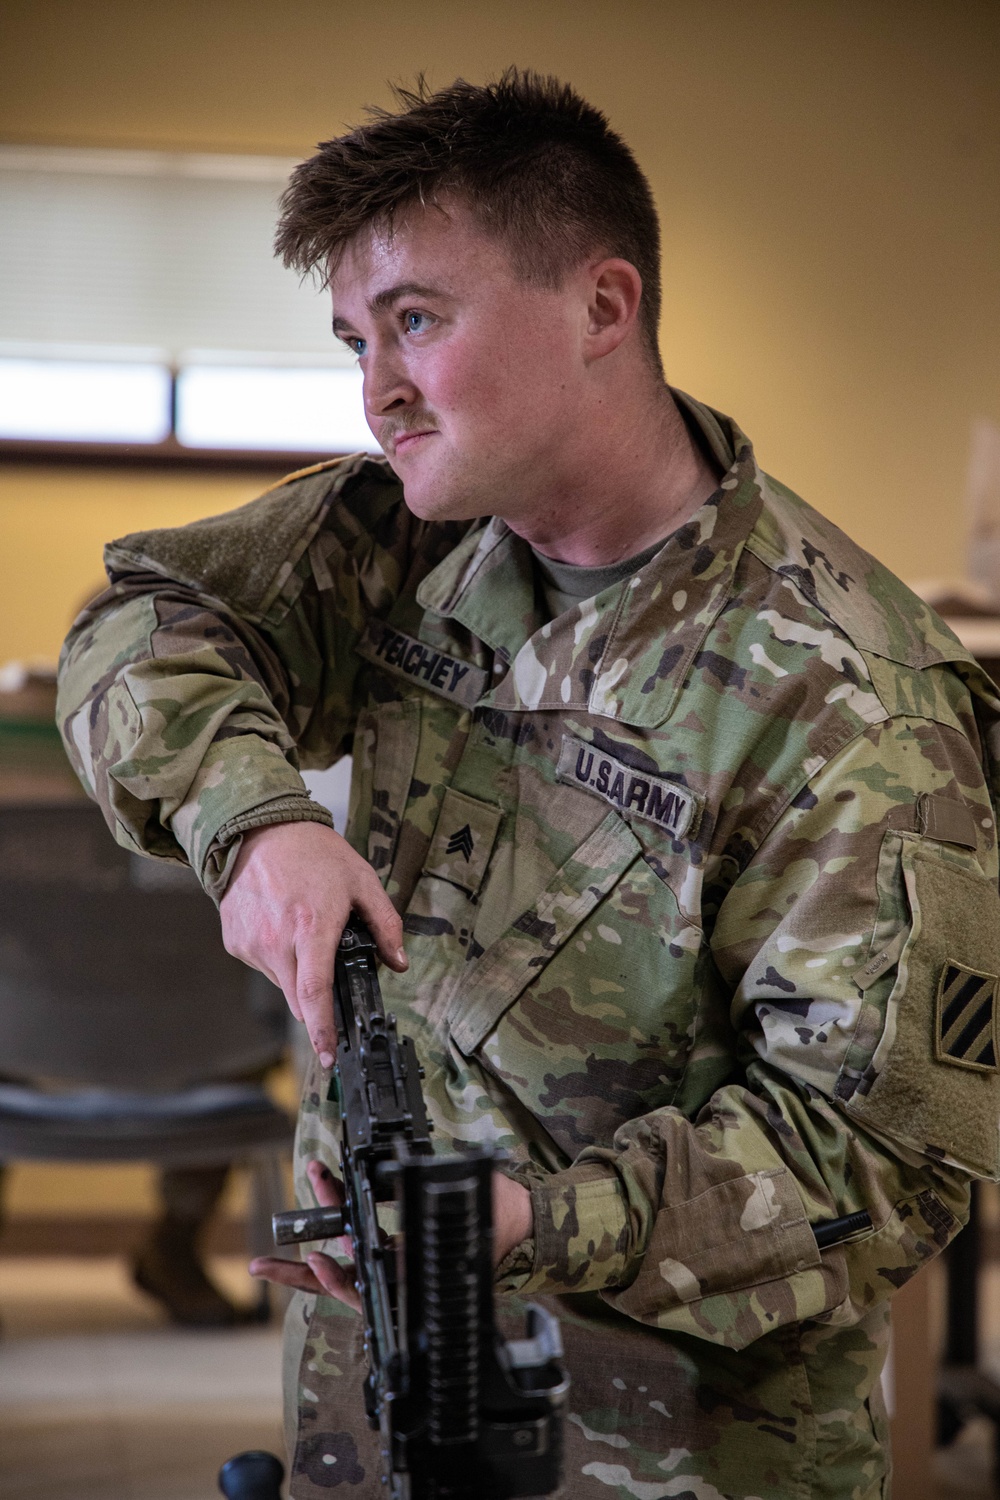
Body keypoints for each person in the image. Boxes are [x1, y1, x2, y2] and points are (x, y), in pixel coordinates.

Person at [57, 71, 1000, 1499]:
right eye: (353, 337)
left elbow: (870, 1162)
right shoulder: (407, 540)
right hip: (365, 1401)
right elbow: (138, 627)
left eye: (418, 321)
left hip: (669, 1446)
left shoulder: (856, 694)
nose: (375, 386)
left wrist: (536, 1225)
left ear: (602, 309)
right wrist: (254, 826)